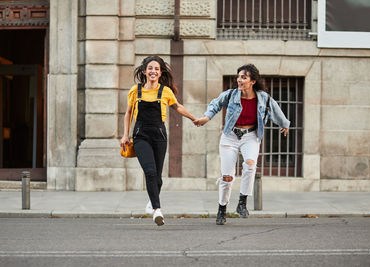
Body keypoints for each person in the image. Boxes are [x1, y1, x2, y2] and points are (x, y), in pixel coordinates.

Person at [194, 64, 290, 225]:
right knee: (227, 177)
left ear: (252, 81)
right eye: (239, 76)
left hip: (251, 136)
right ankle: (222, 209)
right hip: (230, 137)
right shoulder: (231, 95)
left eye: (244, 77)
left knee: (250, 164)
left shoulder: (263, 98)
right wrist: (206, 117)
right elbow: (215, 104)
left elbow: (275, 110)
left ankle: (242, 202)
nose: (239, 80)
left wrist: (285, 124)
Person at [120, 56, 197, 226]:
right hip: (140, 136)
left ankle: (151, 202)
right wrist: (125, 135)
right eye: (150, 68)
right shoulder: (136, 91)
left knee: (158, 178)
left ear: (160, 72)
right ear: (144, 71)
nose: (153, 71)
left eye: (156, 68)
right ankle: (157, 210)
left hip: (159, 136)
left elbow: (178, 107)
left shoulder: (166, 92)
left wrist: (193, 118)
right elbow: (128, 113)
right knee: (150, 172)